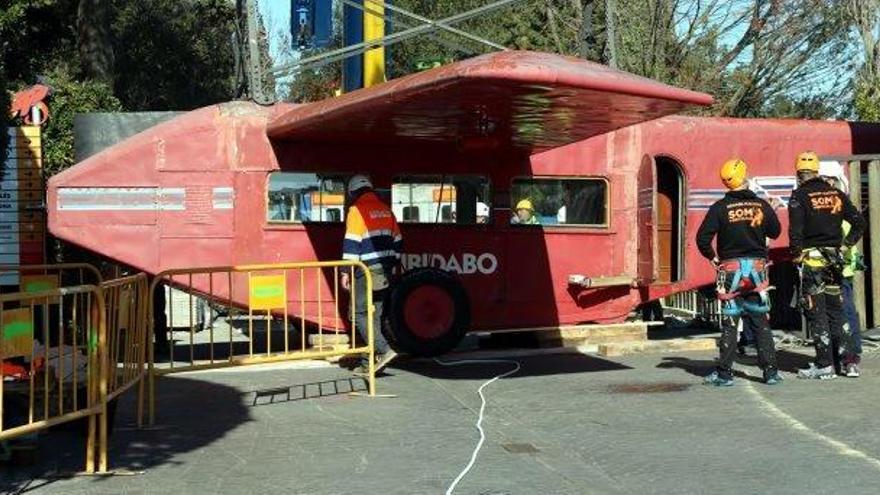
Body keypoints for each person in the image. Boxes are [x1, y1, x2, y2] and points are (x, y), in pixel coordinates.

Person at [696, 158, 782, 386]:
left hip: (730, 272)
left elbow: (702, 239)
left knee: (731, 323)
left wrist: (713, 258)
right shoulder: (761, 206)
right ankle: (771, 373)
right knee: (760, 321)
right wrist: (769, 213)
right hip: (756, 271)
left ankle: (725, 374)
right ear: (745, 176)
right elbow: (775, 231)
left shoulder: (720, 208)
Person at [789, 152, 865, 380]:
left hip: (813, 263)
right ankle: (849, 363)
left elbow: (795, 232)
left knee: (817, 313)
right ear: (817, 171)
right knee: (838, 312)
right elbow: (859, 223)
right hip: (835, 263)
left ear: (799, 173)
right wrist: (845, 245)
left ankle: (824, 365)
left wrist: (796, 255)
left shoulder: (799, 196)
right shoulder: (837, 194)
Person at [340, 175, 402, 374]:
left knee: (359, 314)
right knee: (374, 315)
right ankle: (370, 365)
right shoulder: (386, 210)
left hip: (364, 270)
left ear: (352, 193)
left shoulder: (356, 211)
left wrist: (345, 271)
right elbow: (399, 241)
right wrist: (392, 264)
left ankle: (384, 349)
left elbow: (352, 243)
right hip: (385, 271)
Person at [818, 160, 864, 377]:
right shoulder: (835, 205)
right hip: (833, 269)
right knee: (838, 316)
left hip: (837, 271)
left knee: (842, 315)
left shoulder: (838, 208)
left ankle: (849, 358)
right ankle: (842, 359)